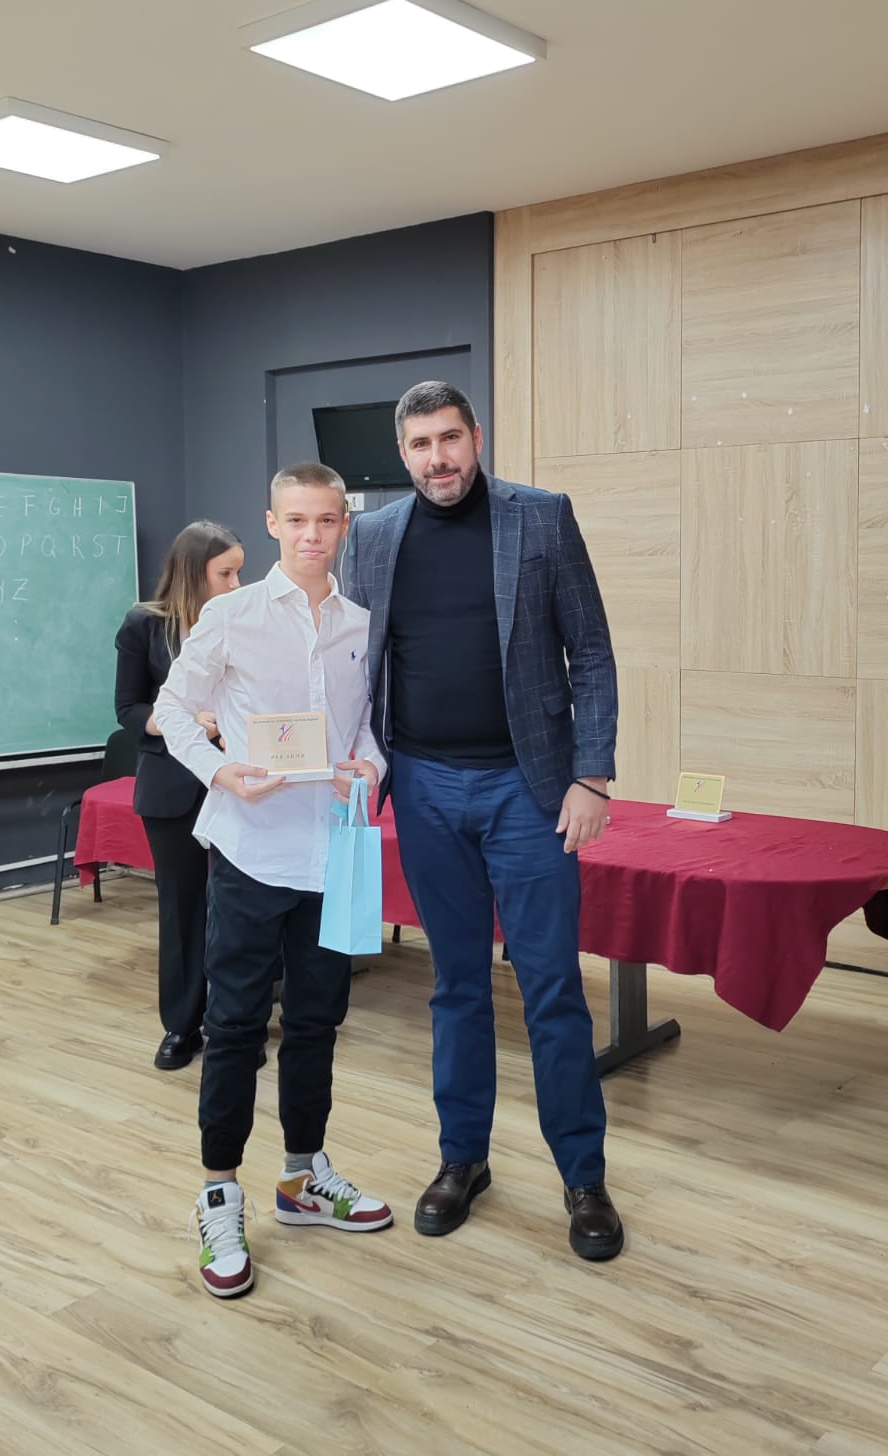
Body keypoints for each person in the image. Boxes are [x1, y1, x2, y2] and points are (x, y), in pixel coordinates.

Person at [345, 380, 623, 1262]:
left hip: (528, 793)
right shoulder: (372, 537)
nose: (439, 458)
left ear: (476, 436)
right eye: (420, 444)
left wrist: (592, 776)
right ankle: (462, 1159)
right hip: (424, 789)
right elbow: (353, 663)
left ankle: (583, 1178)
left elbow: (592, 650)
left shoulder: (541, 517)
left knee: (552, 989)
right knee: (456, 985)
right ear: (403, 454)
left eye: (450, 439)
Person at [155, 462, 393, 1300]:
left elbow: (368, 727)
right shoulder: (232, 614)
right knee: (234, 1027)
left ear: (344, 525)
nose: (311, 535)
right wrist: (220, 772)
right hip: (252, 853)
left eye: (325, 520)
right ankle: (220, 1194)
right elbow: (172, 710)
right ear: (271, 524)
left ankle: (303, 1177)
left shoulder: (361, 623)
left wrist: (370, 766)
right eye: (296, 520)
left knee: (319, 1022)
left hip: (333, 853)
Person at [114, 520, 244, 1071]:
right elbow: (127, 709)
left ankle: (235, 1023)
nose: (236, 584)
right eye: (226, 574)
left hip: (239, 784)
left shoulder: (243, 620)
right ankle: (182, 1026)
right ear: (194, 573)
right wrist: (183, 724)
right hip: (171, 788)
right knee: (183, 908)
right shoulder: (144, 625)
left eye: (239, 572)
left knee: (240, 909)